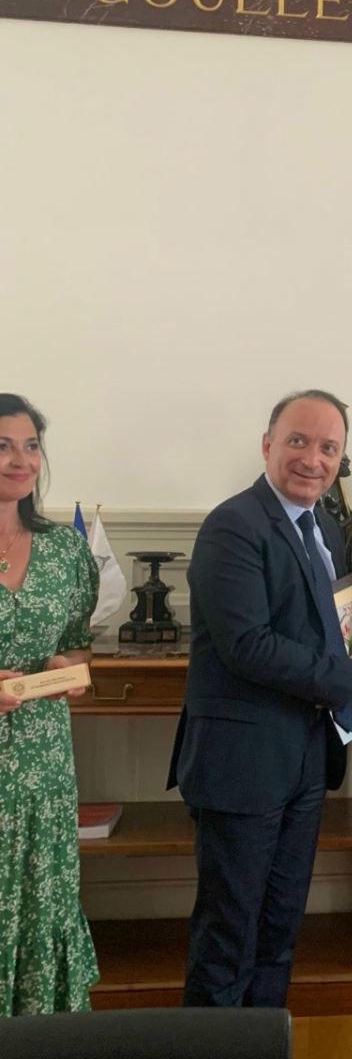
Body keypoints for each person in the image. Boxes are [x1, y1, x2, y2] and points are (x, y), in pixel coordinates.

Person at [167, 390, 352, 1009]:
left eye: (329, 447)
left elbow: (332, 634)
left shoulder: (324, 528)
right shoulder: (233, 525)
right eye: (298, 441)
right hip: (242, 767)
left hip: (306, 759)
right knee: (228, 936)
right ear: (267, 445)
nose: (313, 459)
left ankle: (261, 1043)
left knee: (279, 932)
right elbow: (248, 646)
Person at [0, 393, 100, 1016]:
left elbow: (77, 646)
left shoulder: (65, 551)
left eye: (31, 446)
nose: (21, 460)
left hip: (42, 768)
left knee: (41, 901)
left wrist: (70, 669)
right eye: (3, 446)